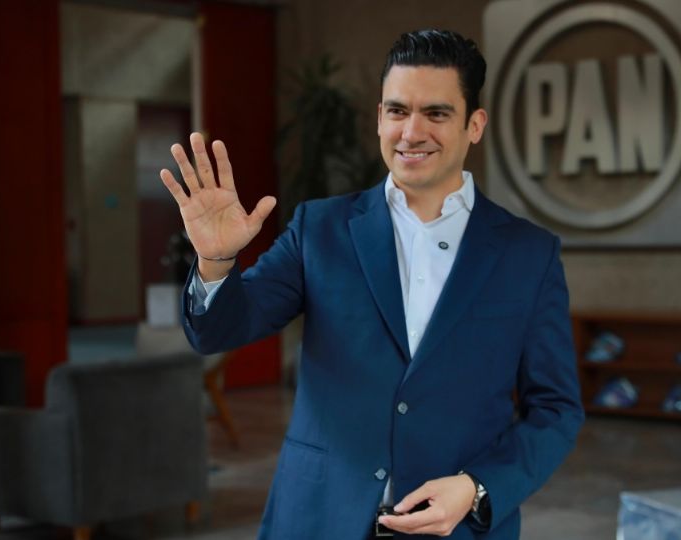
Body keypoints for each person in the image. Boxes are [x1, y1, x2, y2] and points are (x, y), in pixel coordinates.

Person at [160, 29, 583, 540]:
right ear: (380, 117)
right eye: (398, 111)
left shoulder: (528, 254)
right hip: (317, 520)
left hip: (458, 529)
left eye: (436, 113)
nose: (412, 132)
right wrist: (216, 258)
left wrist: (478, 488)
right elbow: (218, 332)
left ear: (474, 125)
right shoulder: (319, 229)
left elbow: (556, 409)